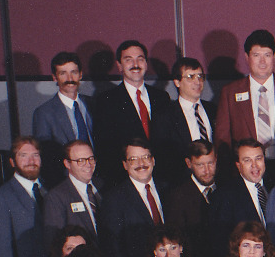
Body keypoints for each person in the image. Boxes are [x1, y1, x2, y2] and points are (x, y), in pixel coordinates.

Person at [214, 29, 275, 186]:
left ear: (274, 57)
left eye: (267, 55)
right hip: (246, 175)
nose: (262, 61)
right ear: (247, 57)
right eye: (256, 55)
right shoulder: (230, 92)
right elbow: (222, 139)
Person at [99, 138, 170, 257]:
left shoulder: (167, 189)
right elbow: (112, 245)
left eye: (145, 157)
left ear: (153, 160)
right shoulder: (114, 198)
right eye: (133, 159)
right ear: (125, 164)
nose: (141, 163)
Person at [91, 40, 171, 185]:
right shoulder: (107, 100)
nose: (135, 64)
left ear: (146, 64)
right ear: (119, 66)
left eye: (140, 59)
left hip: (162, 179)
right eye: (129, 60)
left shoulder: (162, 97)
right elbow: (106, 148)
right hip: (125, 182)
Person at [32, 51, 95, 186]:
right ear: (55, 77)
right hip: (66, 183)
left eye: (74, 72)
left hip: (98, 179)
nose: (69, 78)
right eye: (63, 73)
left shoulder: (94, 104)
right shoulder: (44, 113)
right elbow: (47, 159)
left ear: (80, 74)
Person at [165, 138, 218, 257]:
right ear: (189, 163)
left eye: (210, 163)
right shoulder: (178, 196)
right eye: (200, 165)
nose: (207, 171)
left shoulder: (226, 189)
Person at [157, 57, 215, 181]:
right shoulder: (165, 115)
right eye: (190, 77)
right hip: (182, 185)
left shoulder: (213, 109)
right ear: (177, 82)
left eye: (200, 76)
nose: (197, 82)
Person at [44, 139, 101, 245]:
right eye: (80, 161)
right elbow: (55, 243)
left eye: (91, 159)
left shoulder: (103, 187)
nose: (88, 164)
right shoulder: (57, 196)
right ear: (67, 164)